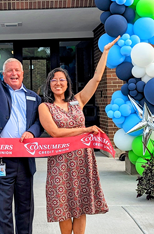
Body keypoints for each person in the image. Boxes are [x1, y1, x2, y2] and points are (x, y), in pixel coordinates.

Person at [38, 36, 120, 234]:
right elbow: (55, 133)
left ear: (67, 83)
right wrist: (85, 129)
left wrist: (106, 52)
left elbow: (97, 79)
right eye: (54, 80)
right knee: (63, 206)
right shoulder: (45, 107)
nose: (58, 83)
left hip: (82, 159)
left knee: (80, 205)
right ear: (49, 85)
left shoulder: (77, 101)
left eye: (62, 80)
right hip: (60, 160)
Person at [0, 24, 43, 234]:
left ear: (23, 74)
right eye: (9, 70)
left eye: (17, 70)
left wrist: (33, 132)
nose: (14, 73)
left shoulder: (34, 96)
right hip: (0, 157)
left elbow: (40, 122)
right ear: (3, 75)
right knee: (2, 210)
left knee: (25, 208)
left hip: (25, 158)